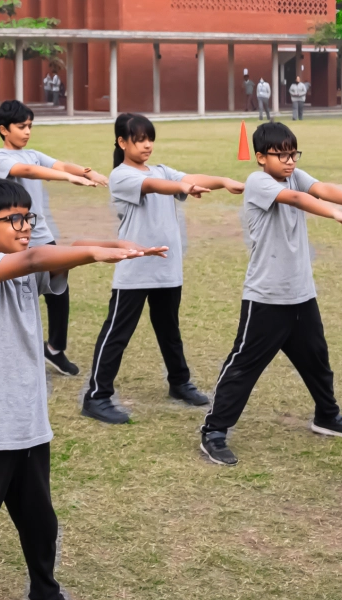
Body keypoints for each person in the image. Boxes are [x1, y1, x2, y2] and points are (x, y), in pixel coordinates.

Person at [0, 179, 160, 600]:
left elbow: (57, 251)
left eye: (28, 216)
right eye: (14, 219)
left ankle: (47, 598)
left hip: (29, 424)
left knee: (40, 525)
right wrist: (93, 254)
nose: (26, 225)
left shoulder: (24, 267)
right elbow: (37, 255)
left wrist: (115, 245)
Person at [200, 122, 342, 466]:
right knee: (243, 366)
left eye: (293, 154)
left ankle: (327, 416)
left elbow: (320, 188)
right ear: (261, 157)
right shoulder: (259, 182)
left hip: (301, 294)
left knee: (317, 360)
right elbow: (296, 198)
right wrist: (337, 215)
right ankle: (214, 431)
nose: (289, 161)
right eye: (281, 155)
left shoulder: (294, 174)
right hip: (267, 297)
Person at [80, 113, 243, 425]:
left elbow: (186, 178)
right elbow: (154, 186)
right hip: (135, 268)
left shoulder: (162, 169)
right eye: (139, 139)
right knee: (117, 333)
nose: (146, 145)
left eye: (149, 138)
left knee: (169, 330)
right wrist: (180, 185)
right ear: (122, 142)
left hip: (166, 266)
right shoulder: (121, 176)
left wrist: (222, 181)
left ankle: (179, 382)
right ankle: (96, 396)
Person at [0, 99, 108, 377]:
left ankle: (54, 348)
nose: (27, 131)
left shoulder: (32, 153)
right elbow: (28, 172)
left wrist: (88, 172)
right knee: (17, 296)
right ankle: (11, 350)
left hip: (40, 234)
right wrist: (67, 178)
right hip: (12, 241)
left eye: (30, 125)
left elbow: (60, 164)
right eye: (21, 126)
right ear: (4, 130)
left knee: (59, 288)